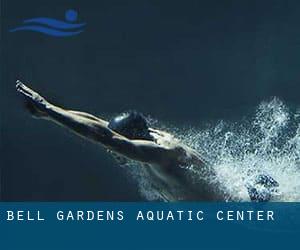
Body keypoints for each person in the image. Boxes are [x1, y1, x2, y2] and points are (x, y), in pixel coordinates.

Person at [15, 80, 277, 201]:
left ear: (132, 140)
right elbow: (99, 126)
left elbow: (105, 137)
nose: (111, 151)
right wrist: (51, 113)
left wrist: (48, 109)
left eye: (115, 146)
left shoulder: (161, 154)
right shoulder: (146, 139)